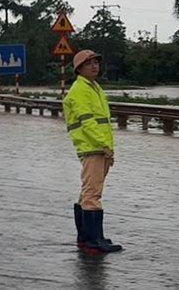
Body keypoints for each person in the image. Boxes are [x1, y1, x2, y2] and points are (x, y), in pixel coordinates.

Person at [63, 49, 122, 254]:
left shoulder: (93, 87)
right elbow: (88, 122)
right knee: (92, 193)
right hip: (92, 147)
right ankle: (92, 240)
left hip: (98, 146)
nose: (94, 66)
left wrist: (107, 146)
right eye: (89, 63)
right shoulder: (80, 90)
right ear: (79, 69)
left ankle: (88, 237)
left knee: (88, 191)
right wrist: (104, 146)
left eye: (96, 62)